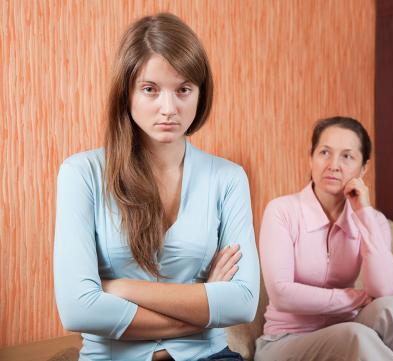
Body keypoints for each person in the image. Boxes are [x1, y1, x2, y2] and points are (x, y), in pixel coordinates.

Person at [54, 13, 259, 361]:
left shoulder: (229, 178)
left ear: (200, 94)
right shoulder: (81, 173)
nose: (169, 108)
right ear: (127, 92)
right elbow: (78, 310)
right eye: (150, 89)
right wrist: (203, 302)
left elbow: (243, 303)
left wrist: (119, 289)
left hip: (209, 356)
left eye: (183, 90)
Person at [254, 117, 393, 361]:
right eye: (324, 152)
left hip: (347, 332)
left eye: (347, 156)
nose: (333, 165)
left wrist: (363, 212)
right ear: (311, 157)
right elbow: (281, 293)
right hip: (286, 341)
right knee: (356, 334)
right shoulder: (282, 211)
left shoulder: (373, 220)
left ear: (363, 168)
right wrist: (358, 298)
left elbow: (384, 289)